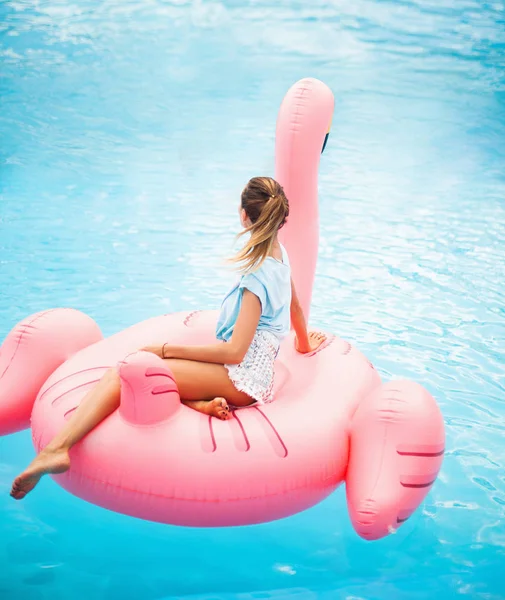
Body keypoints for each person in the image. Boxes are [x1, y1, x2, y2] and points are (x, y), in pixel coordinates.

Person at [10, 176, 326, 500]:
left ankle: (56, 449)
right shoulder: (279, 255)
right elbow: (296, 305)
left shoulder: (255, 279)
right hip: (250, 373)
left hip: (242, 379)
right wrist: (303, 342)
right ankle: (199, 404)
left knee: (128, 370)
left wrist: (162, 349)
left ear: (244, 215)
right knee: (160, 370)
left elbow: (234, 352)